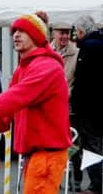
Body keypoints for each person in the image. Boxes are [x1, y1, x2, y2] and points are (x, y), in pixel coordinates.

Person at [0, 13, 72, 194]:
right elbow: (8, 115)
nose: (16, 35)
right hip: (36, 156)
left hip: (46, 154)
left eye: (23, 31)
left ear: (36, 36)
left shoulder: (47, 67)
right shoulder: (24, 68)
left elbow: (17, 96)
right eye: (14, 31)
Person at [72, 15, 103, 194]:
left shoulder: (88, 49)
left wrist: (77, 104)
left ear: (82, 31)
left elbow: (83, 82)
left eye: (77, 31)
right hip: (97, 108)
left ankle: (95, 186)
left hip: (89, 109)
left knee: (91, 148)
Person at [50, 21, 82, 188]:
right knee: (53, 145)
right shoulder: (46, 52)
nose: (64, 36)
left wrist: (67, 92)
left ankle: (75, 177)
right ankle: (56, 179)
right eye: (60, 32)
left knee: (73, 144)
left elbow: (78, 80)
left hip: (69, 107)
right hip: (49, 108)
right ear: (53, 33)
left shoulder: (76, 52)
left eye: (66, 33)